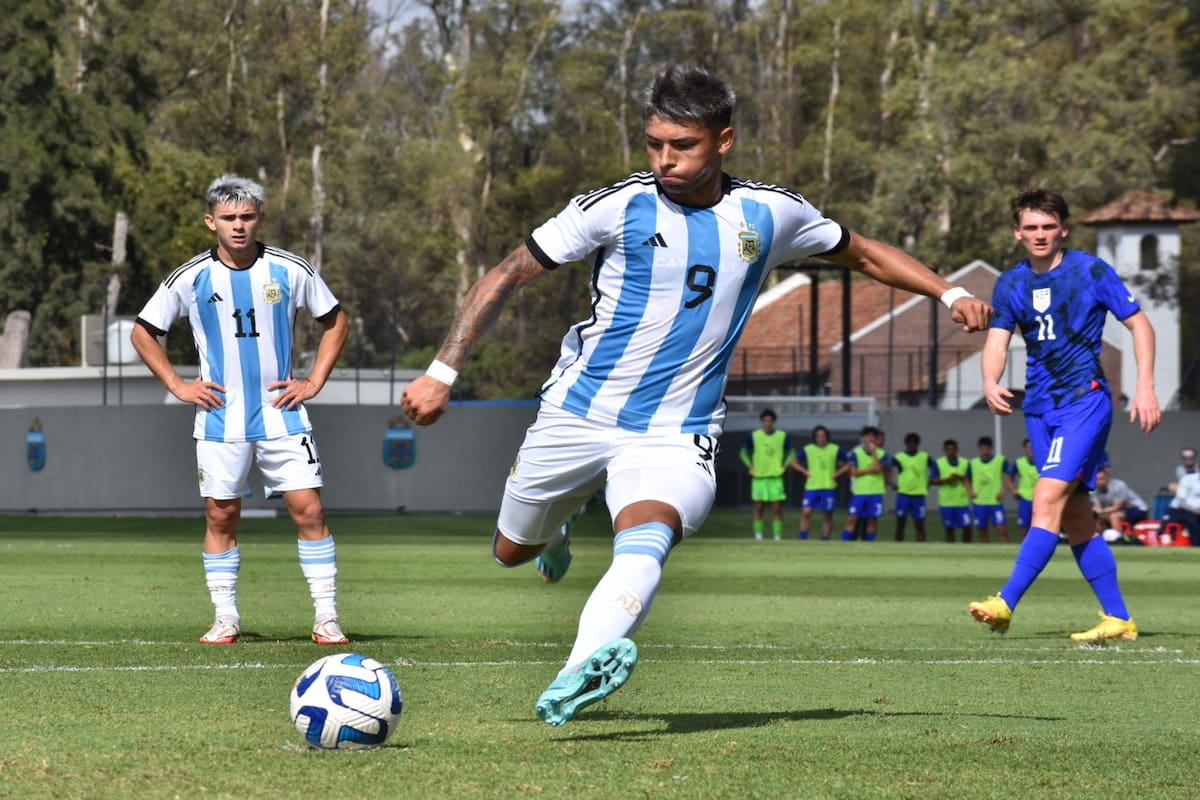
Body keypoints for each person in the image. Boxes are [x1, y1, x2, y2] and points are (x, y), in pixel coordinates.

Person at [400, 64, 992, 726]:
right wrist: (442, 371)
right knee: (513, 551)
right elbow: (508, 274)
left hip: (679, 430)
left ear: (724, 140)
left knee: (648, 536)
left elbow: (864, 253)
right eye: (654, 144)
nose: (664, 159)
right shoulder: (616, 206)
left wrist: (951, 291)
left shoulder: (771, 213)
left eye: (681, 145)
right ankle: (559, 529)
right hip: (576, 413)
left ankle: (577, 671)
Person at [130, 174, 351, 647]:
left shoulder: (292, 270)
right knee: (220, 515)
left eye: (247, 217)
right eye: (228, 218)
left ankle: (327, 617)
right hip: (219, 418)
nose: (238, 226)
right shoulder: (189, 277)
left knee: (309, 511)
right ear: (210, 221)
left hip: (282, 415)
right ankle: (226, 617)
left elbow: (336, 322)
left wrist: (313, 381)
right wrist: (178, 385)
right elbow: (144, 331)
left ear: (260, 219)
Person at [969, 187, 1160, 643]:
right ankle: (1118, 618)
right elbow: (997, 340)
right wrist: (990, 380)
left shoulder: (1091, 271)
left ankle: (1005, 602)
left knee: (1046, 501)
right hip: (1039, 408)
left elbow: (1139, 323)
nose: (1039, 235)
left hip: (1085, 401)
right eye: (1031, 227)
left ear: (1064, 229)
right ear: (1018, 232)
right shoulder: (1011, 282)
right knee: (1076, 518)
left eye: (1048, 227)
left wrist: (1147, 385)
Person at [739, 408, 796, 541]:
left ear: (774, 422)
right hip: (759, 477)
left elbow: (792, 452)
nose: (767, 423)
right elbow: (743, 453)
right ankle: (758, 536)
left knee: (777, 509)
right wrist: (750, 466)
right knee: (759, 508)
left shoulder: (782, 436)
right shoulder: (754, 436)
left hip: (776, 478)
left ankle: (777, 537)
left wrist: (785, 465)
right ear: (761, 421)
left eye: (770, 420)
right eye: (765, 420)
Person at [839, 426, 889, 541]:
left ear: (877, 440)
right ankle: (843, 543)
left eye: (872, 437)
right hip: (860, 492)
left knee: (872, 520)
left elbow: (878, 468)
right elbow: (854, 472)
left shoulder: (882, 454)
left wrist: (874, 453)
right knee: (852, 518)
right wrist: (870, 470)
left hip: (876, 492)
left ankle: (870, 545)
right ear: (863, 438)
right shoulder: (856, 453)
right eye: (867, 436)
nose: (869, 439)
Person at [794, 425, 841, 540]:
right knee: (806, 512)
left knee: (827, 514)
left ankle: (825, 539)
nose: (821, 438)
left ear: (827, 437)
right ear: (815, 438)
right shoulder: (808, 449)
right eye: (818, 436)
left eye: (823, 436)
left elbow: (848, 463)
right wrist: (805, 472)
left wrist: (837, 473)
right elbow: (794, 462)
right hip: (812, 487)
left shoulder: (834, 449)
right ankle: (803, 538)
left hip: (828, 486)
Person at [890, 432, 933, 542]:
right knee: (900, 523)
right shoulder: (899, 457)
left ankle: (921, 547)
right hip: (903, 494)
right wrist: (891, 482)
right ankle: (898, 546)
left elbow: (936, 469)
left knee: (920, 525)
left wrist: (929, 482)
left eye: (914, 443)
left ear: (918, 444)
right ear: (906, 444)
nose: (912, 445)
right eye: (910, 443)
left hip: (918, 495)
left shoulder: (924, 456)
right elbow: (887, 467)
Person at [969, 436, 1010, 544]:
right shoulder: (973, 463)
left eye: (986, 448)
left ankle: (1006, 551)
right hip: (979, 502)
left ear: (991, 448)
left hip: (995, 502)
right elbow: (966, 479)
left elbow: (1009, 477)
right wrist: (970, 491)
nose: (984, 451)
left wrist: (1004, 491)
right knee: (982, 531)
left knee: (1001, 530)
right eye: (982, 448)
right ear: (979, 448)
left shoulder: (1000, 461)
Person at [933, 439, 973, 543]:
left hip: (962, 502)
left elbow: (969, 479)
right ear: (944, 450)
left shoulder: (965, 463)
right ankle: (951, 550)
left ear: (957, 449)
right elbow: (932, 480)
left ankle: (967, 548)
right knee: (949, 529)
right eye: (948, 449)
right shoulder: (939, 463)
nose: (950, 451)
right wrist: (947, 480)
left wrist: (961, 478)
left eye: (953, 449)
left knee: (967, 528)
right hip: (946, 502)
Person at [1091, 467, 1149, 534]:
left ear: (1107, 476)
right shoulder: (1095, 490)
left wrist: (1100, 512)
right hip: (1118, 510)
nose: (1098, 482)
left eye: (1101, 479)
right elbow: (1098, 507)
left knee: (1114, 516)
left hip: (1138, 509)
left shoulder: (1119, 485)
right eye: (1096, 480)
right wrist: (1097, 514)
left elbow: (1117, 507)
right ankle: (1098, 539)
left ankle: (1118, 539)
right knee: (1098, 518)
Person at [1005, 438, 1039, 540]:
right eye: (1028, 447)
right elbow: (1009, 479)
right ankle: (1024, 550)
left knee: (1040, 528)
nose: (1031, 450)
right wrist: (1014, 491)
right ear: (1024, 449)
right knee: (1024, 528)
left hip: (1040, 499)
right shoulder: (1019, 463)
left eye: (1033, 447)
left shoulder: (1043, 461)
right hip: (1025, 499)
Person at [1158, 471, 1200, 545]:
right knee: (1192, 521)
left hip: (1197, 512)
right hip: (1180, 509)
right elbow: (1181, 501)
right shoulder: (1188, 479)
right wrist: (1194, 509)